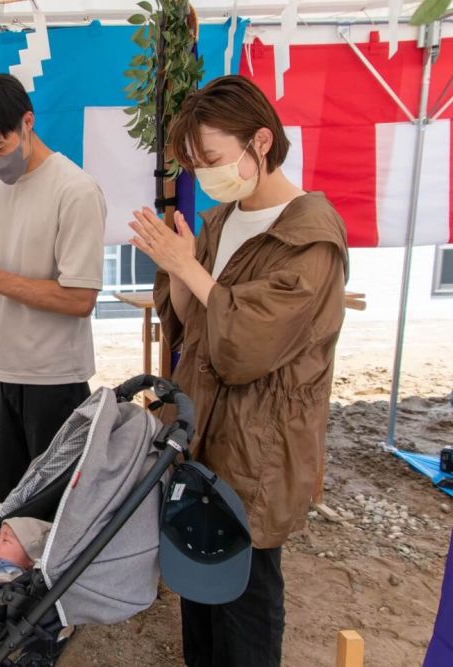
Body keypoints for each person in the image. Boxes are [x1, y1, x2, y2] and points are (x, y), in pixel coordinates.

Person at [128, 75, 348, 667]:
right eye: (197, 166)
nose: (206, 177)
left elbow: (245, 346)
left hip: (259, 447)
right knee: (196, 581)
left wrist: (190, 267)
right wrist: (176, 268)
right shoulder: (224, 220)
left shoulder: (310, 238)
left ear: (261, 141)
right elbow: (191, 325)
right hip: (202, 431)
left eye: (214, 160)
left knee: (245, 597)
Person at [0, 73, 107, 502]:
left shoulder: (75, 190)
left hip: (54, 378)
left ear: (27, 122)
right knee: (12, 505)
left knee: (55, 510)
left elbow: (80, 299)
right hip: (1, 370)